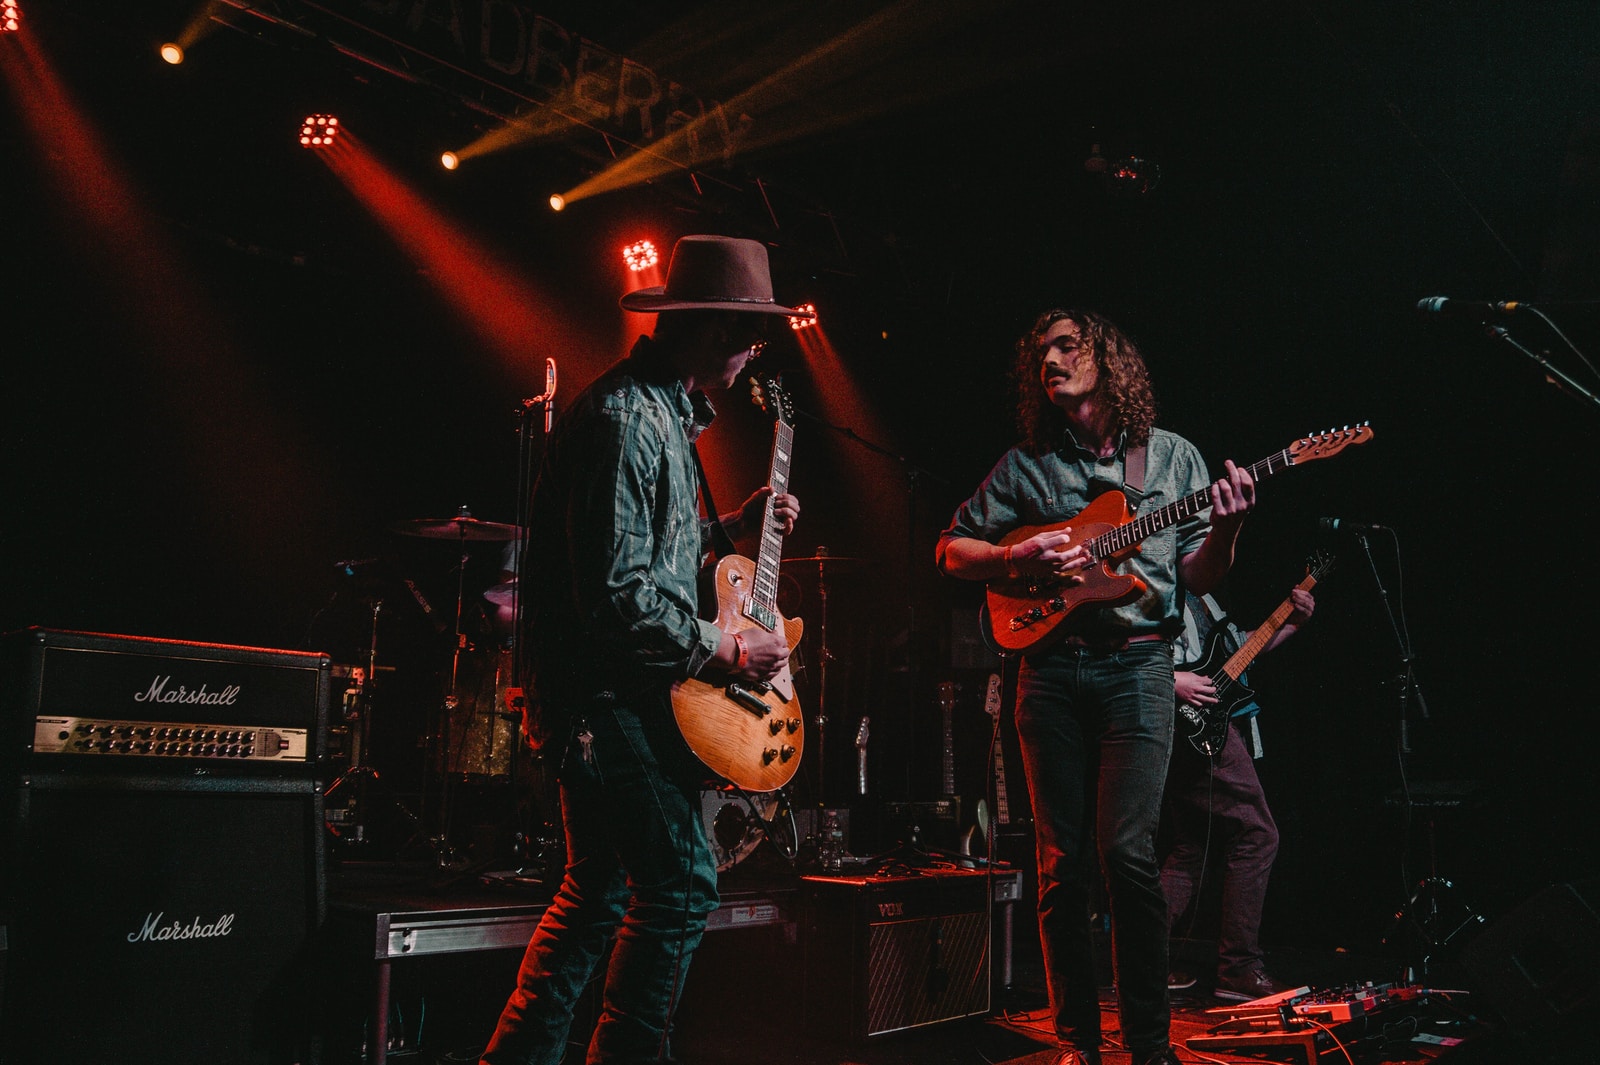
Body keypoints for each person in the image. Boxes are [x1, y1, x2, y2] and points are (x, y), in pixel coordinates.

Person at [480, 234, 810, 1065]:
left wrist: (733, 524)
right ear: (715, 329)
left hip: (608, 699)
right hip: (607, 701)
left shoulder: (658, 413)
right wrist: (728, 652)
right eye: (750, 336)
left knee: (596, 892)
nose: (753, 355)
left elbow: (650, 555)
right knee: (681, 886)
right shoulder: (627, 421)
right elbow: (620, 597)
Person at [936, 308, 1257, 1065]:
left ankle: (1149, 1044)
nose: (1049, 360)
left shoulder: (1172, 458)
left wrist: (1229, 528)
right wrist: (1013, 560)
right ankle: (1077, 1039)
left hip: (1140, 669)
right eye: (1041, 351)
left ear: (1107, 360)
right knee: (1060, 864)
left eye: (1066, 346)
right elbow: (950, 548)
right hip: (1048, 672)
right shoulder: (1026, 465)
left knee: (1129, 855)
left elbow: (1196, 576)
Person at [1163, 583, 1314, 1001]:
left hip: (1212, 722)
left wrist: (1292, 623)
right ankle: (1240, 968)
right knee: (1258, 834)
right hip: (1192, 724)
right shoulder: (1161, 578)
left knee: (1192, 848)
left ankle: (1141, 960)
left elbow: (1237, 651)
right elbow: (1126, 648)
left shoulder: (1203, 595)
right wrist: (1171, 679)